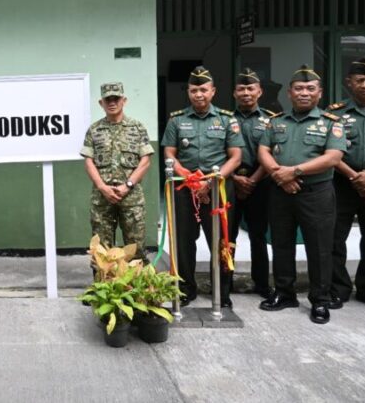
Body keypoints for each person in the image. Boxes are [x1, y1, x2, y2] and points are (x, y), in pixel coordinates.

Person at [257, 65, 345, 324]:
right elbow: (264, 150)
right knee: (281, 243)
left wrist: (293, 172)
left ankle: (320, 300)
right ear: (289, 93)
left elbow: (333, 157)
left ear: (320, 92)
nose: (304, 93)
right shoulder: (276, 121)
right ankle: (285, 293)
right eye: (298, 88)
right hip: (281, 192)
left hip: (316, 193)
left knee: (319, 248)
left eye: (310, 88)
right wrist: (279, 175)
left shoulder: (331, 123)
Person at [161, 66, 243, 308]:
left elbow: (235, 157)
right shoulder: (177, 120)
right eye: (194, 90)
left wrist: (210, 181)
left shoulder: (227, 119)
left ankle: (222, 291)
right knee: (184, 240)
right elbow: (169, 153)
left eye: (203, 90)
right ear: (188, 92)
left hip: (217, 189)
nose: (199, 94)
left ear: (213, 91)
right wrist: (189, 179)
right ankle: (186, 288)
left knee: (221, 240)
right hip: (185, 189)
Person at [80, 82, 153, 259]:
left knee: (136, 249)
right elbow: (88, 162)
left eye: (116, 98)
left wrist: (127, 185)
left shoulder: (137, 128)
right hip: (102, 198)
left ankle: (136, 278)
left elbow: (145, 161)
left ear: (124, 100)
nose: (112, 102)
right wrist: (102, 187)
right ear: (101, 103)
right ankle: (104, 279)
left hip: (131, 198)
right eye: (108, 99)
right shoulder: (94, 130)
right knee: (101, 251)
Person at [327, 57, 365, 308]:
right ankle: (338, 288)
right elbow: (327, 150)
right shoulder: (335, 114)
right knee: (335, 238)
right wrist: (355, 177)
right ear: (349, 82)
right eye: (360, 80)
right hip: (342, 183)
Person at [232, 68, 278, 298]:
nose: (246, 93)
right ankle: (224, 284)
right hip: (229, 183)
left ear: (259, 92)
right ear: (234, 93)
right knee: (226, 237)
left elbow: (272, 153)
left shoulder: (270, 120)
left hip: (260, 183)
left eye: (251, 88)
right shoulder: (224, 119)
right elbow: (217, 153)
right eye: (241, 89)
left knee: (258, 236)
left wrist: (252, 180)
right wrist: (234, 178)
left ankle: (261, 284)